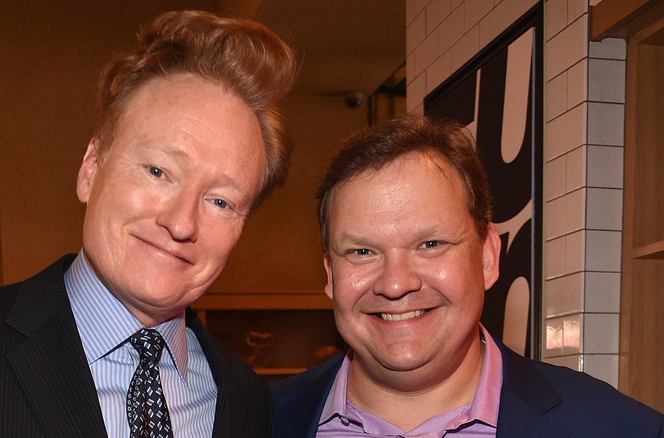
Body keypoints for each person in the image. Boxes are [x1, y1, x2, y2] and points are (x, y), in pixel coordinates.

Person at [0, 10, 297, 437]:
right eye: (157, 171)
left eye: (220, 201)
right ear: (90, 168)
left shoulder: (247, 399)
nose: (180, 223)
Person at [271, 115, 664, 437]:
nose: (394, 284)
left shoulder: (618, 429)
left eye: (430, 244)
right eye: (361, 251)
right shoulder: (255, 422)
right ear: (330, 274)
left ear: (487, 256)